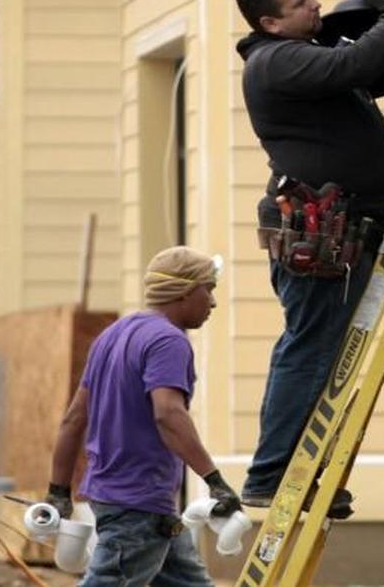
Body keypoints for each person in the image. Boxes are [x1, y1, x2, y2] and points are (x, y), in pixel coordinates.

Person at [232, 0, 384, 516]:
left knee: (325, 352)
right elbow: (359, 60)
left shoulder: (307, 64)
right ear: (271, 22)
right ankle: (273, 476)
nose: (315, 6)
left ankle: (306, 471)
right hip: (323, 233)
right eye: (300, 3)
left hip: (345, 230)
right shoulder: (277, 62)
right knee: (310, 349)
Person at [45, 246, 241, 587]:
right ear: (183, 293)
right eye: (207, 290)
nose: (212, 302)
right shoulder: (168, 341)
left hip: (126, 498)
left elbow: (74, 418)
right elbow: (167, 414)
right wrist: (214, 480)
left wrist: (57, 491)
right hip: (137, 504)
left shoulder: (112, 335)